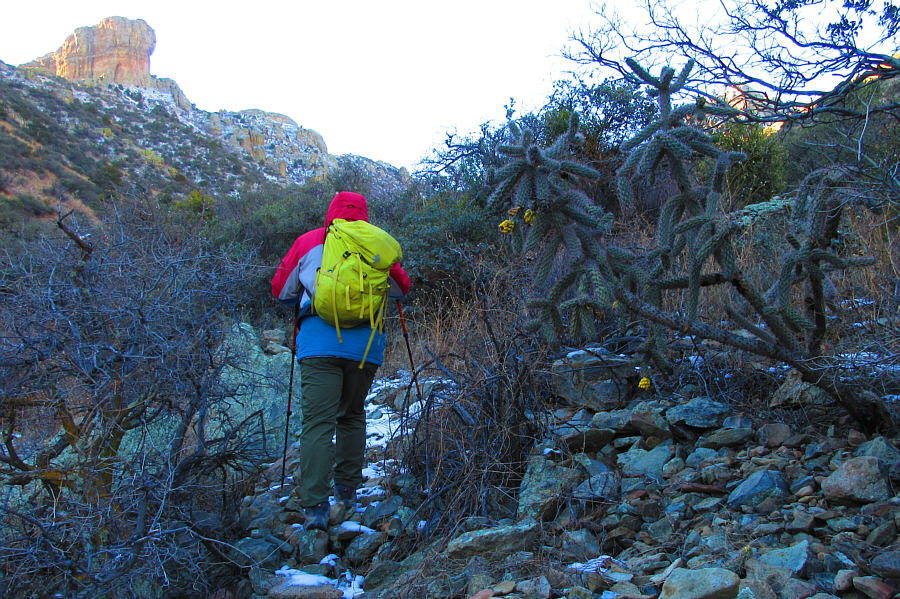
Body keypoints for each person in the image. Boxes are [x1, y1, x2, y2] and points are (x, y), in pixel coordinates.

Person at [271, 191, 411, 530]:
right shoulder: (377, 244)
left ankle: (316, 508)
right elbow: (401, 288)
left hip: (318, 342)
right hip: (364, 347)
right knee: (351, 415)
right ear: (363, 214)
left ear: (331, 212)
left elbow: (280, 290)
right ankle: (347, 494)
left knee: (318, 423)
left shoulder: (310, 241)